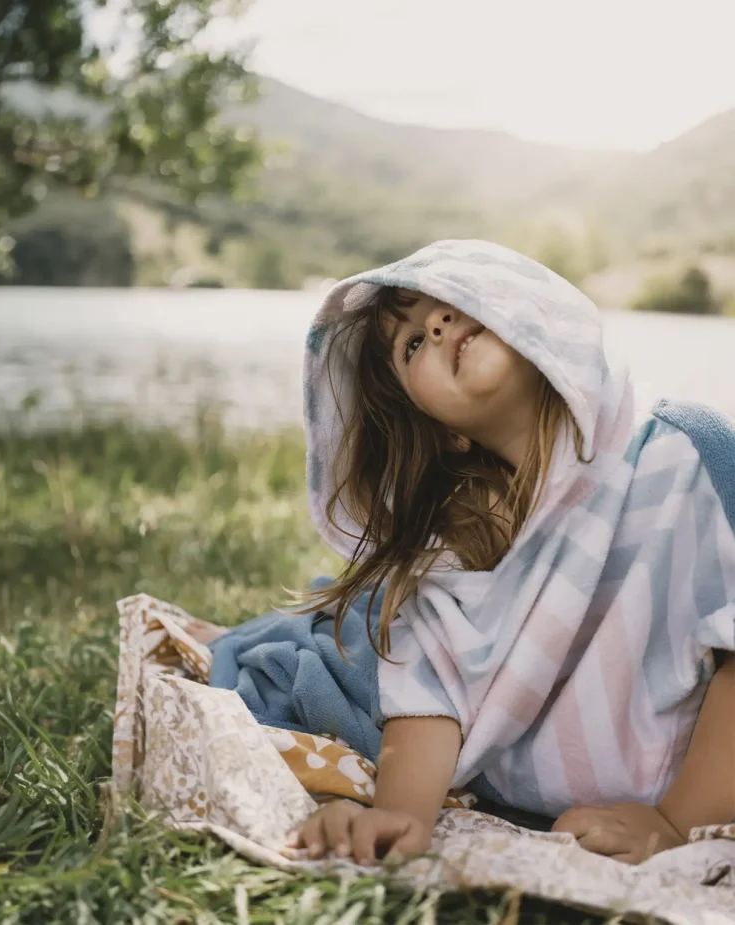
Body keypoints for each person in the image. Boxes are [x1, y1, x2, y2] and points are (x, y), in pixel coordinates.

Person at [202, 240, 735, 867]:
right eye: (412, 345)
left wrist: (678, 822)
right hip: (535, 774)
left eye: (455, 303)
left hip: (695, 769)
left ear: (533, 316)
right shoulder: (456, 543)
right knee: (340, 649)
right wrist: (400, 817)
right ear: (446, 430)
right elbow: (432, 689)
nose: (436, 324)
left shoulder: (685, 454)